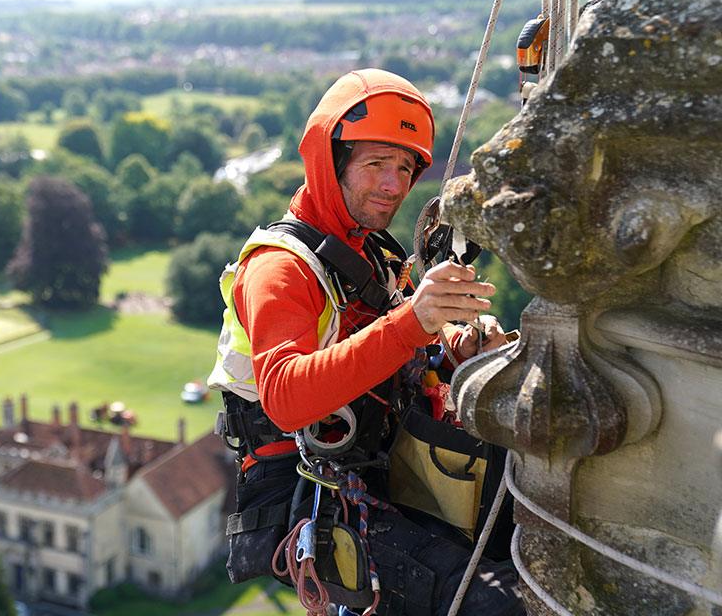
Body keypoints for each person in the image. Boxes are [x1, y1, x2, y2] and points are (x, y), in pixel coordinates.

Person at [209, 69, 524, 615]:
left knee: (523, 524)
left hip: (384, 466)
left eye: (404, 167)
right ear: (331, 164)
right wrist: (412, 325)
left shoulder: (369, 252)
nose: (394, 185)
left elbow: (397, 333)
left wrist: (454, 347)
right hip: (312, 491)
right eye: (376, 163)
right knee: (497, 604)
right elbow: (286, 397)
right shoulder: (280, 269)